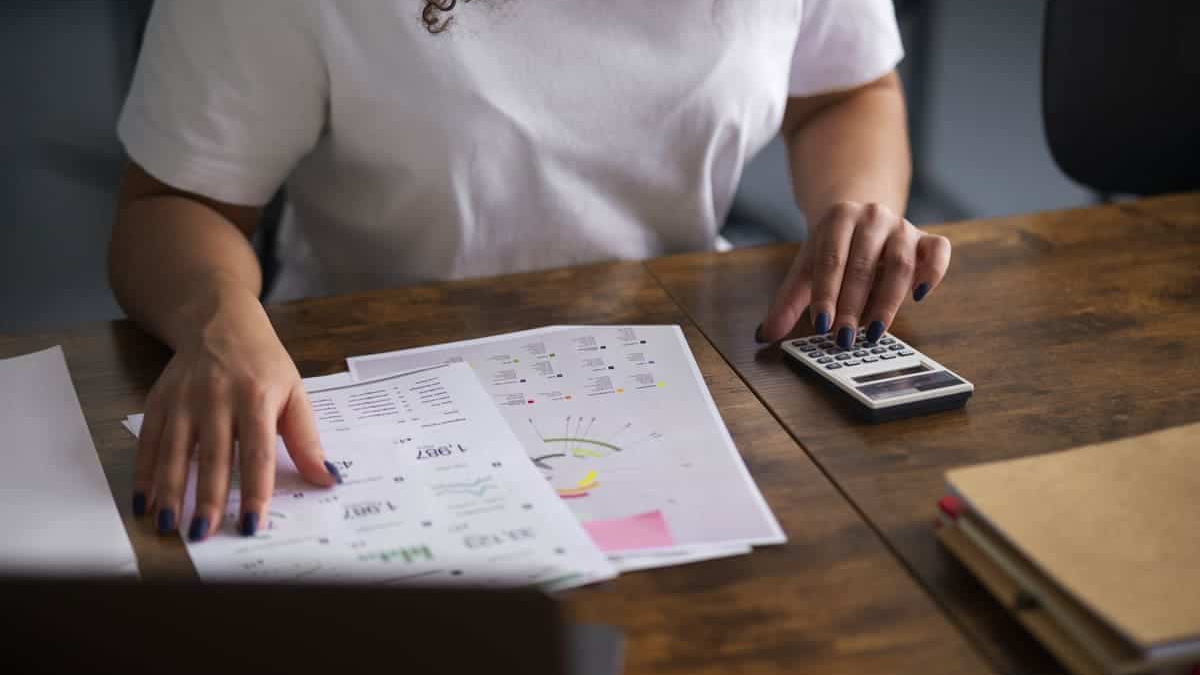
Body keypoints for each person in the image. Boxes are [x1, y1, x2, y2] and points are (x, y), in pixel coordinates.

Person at [111, 0, 951, 542]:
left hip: (677, 379)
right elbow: (170, 206)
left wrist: (855, 208)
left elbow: (846, 91)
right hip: (362, 396)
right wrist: (221, 320)